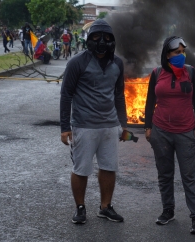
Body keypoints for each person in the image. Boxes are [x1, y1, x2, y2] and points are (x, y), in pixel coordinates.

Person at [60, 19, 127, 225]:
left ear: (112, 41)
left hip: (109, 126)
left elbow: (119, 95)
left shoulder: (117, 63)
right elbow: (66, 95)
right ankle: (80, 208)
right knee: (81, 169)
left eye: (106, 38)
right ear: (89, 39)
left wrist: (123, 124)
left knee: (109, 167)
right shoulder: (77, 63)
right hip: (84, 126)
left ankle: (105, 207)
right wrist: (65, 128)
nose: (101, 42)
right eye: (96, 37)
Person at [144, 36, 195, 234]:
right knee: (165, 174)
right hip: (160, 131)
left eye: (182, 52)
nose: (180, 55)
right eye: (176, 52)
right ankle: (168, 211)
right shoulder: (157, 73)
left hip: (186, 132)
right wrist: (148, 127)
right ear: (167, 54)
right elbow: (150, 99)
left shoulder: (191, 72)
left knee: (189, 175)